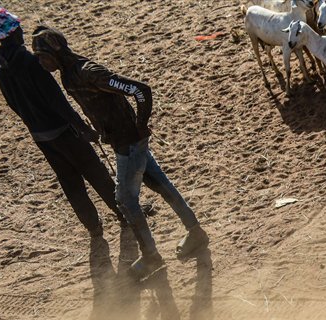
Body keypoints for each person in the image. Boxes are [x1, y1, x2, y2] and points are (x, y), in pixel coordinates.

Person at [31, 25, 208, 279]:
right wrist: (98, 128)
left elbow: (140, 90)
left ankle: (151, 258)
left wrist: (139, 124)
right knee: (159, 183)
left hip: (129, 143)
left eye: (42, 56)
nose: (41, 62)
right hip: (123, 141)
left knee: (125, 201)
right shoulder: (69, 75)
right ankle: (196, 233)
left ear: (55, 52)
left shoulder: (88, 72)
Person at [0, 8, 120, 240]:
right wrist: (83, 128)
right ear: (12, 33)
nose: (22, 32)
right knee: (95, 171)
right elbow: (57, 100)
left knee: (69, 181)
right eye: (18, 28)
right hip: (62, 129)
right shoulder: (30, 62)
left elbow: (12, 102)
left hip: (40, 134)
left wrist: (32, 122)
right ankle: (124, 213)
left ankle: (93, 227)